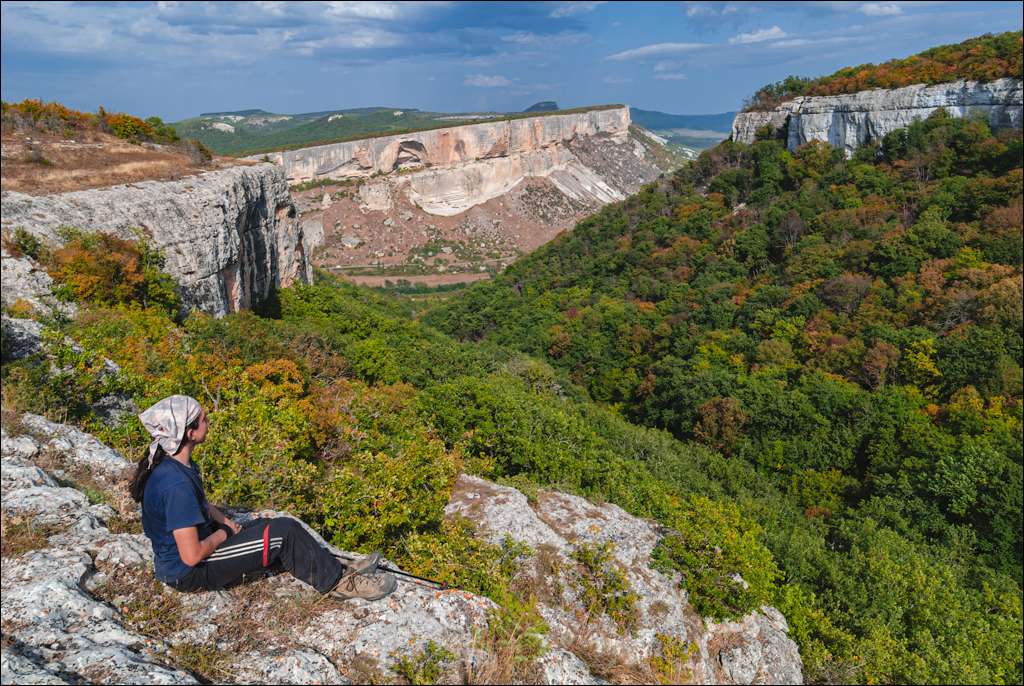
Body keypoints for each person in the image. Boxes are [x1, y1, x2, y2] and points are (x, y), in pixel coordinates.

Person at [130, 395, 396, 601]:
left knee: (273, 523)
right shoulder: (175, 484)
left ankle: (335, 565)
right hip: (190, 572)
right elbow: (191, 555)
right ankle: (339, 584)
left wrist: (229, 523)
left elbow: (199, 504)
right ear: (190, 433)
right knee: (284, 532)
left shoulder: (175, 462)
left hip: (196, 550)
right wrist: (224, 532)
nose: (208, 422)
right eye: (204, 419)